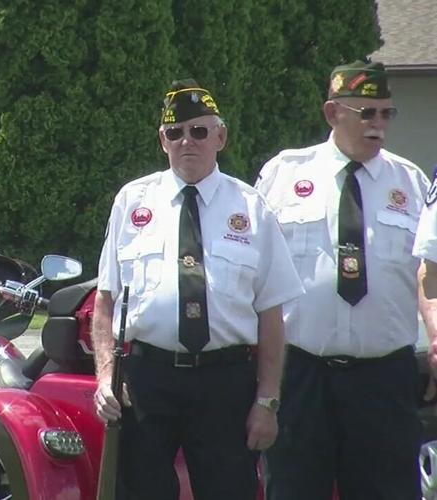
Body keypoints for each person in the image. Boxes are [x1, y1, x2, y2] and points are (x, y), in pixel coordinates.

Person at [92, 79, 303, 500]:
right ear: (162, 141)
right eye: (175, 133)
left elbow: (271, 315)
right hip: (148, 381)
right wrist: (104, 376)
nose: (187, 141)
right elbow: (106, 301)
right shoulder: (132, 202)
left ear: (220, 136)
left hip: (225, 383)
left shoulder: (251, 208)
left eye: (199, 131)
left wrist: (268, 401)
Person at [256, 61, 426, 500]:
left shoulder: (410, 183)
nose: (379, 125)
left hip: (384, 378)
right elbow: (251, 272)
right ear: (333, 113)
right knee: (293, 488)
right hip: (301, 374)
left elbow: (432, 275)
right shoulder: (284, 175)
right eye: (367, 113)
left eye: (387, 113)